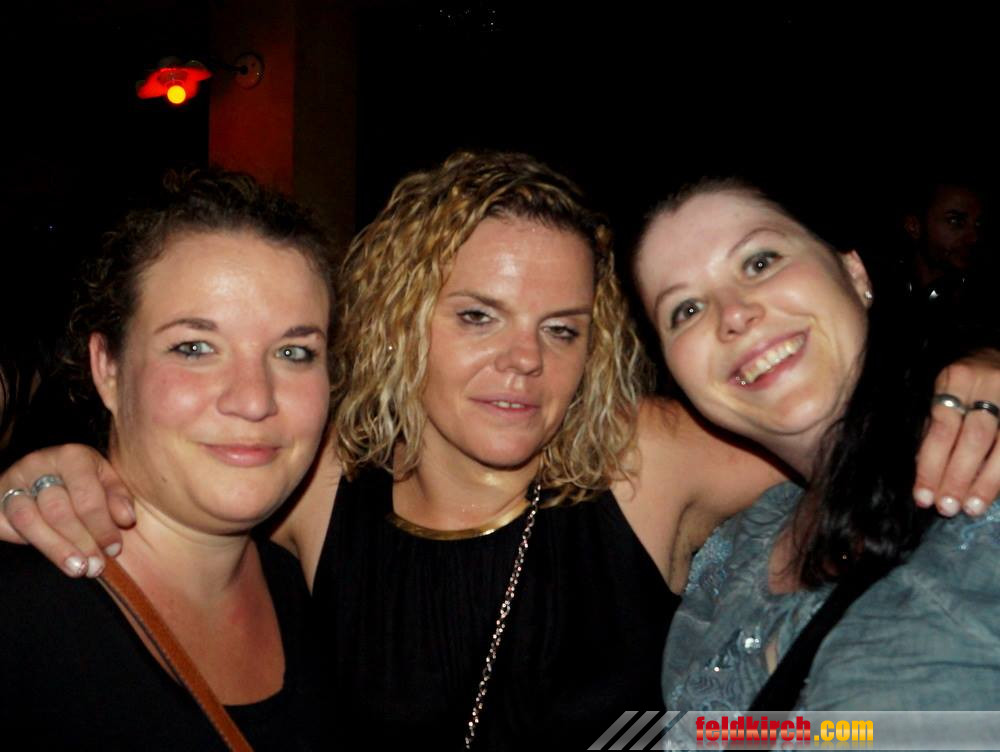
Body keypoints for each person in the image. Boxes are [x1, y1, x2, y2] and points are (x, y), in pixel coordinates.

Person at [2, 153, 999, 747]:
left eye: (562, 328)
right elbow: (185, 464)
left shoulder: (643, 462)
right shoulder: (317, 479)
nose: (525, 361)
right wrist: (52, 469)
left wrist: (979, 371)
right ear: (402, 320)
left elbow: (839, 416)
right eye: (478, 315)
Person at [633, 178, 1000, 722]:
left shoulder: (984, 480)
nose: (732, 314)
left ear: (855, 274)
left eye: (760, 262)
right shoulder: (730, 556)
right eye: (685, 310)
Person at [0, 168, 335, 748]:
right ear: (107, 368)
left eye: (293, 352)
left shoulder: (312, 593)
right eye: (195, 347)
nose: (254, 399)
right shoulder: (20, 616)